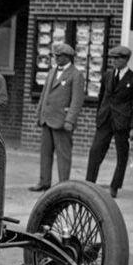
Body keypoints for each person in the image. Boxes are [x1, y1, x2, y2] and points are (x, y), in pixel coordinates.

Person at [85, 45, 133, 198]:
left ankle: (115, 186)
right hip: (105, 119)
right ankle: (89, 184)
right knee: (95, 151)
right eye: (113, 58)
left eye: (118, 58)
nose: (115, 61)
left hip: (122, 122)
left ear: (126, 59)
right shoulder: (107, 76)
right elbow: (101, 97)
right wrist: (99, 116)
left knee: (122, 155)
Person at [29, 42, 85, 192]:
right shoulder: (52, 71)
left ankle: (63, 185)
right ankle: (44, 181)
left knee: (63, 154)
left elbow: (77, 100)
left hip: (62, 121)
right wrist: (39, 114)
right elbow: (44, 95)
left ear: (68, 57)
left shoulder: (76, 74)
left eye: (59, 56)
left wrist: (70, 120)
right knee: (45, 152)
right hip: (47, 118)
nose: (56, 59)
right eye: (55, 56)